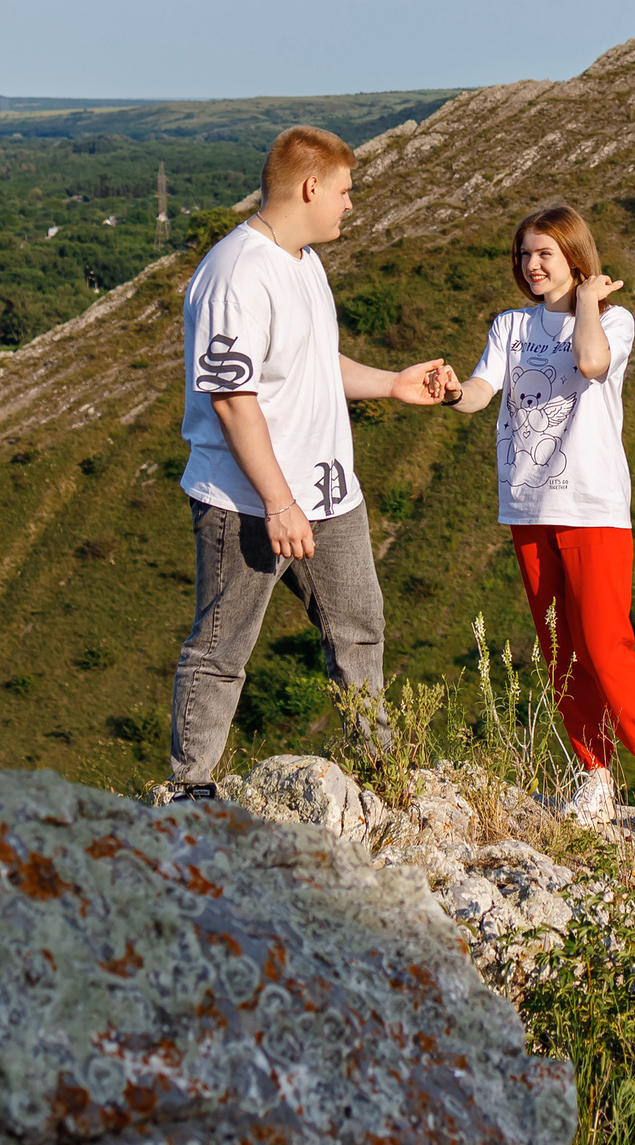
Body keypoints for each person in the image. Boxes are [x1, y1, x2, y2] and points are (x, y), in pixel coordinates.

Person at [164, 125, 458, 801]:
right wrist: (278, 501)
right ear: (310, 185)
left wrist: (393, 383)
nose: (351, 206)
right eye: (346, 191)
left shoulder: (302, 261)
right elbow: (233, 399)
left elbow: (312, 365)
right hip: (246, 501)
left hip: (328, 494)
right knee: (221, 645)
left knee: (358, 628)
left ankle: (380, 776)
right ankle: (191, 790)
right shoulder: (235, 273)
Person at [450, 202, 635, 840]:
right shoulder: (509, 326)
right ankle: (594, 774)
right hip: (528, 505)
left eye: (544, 254)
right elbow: (479, 393)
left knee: (606, 644)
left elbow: (589, 364)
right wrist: (450, 390)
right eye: (524, 254)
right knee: (560, 651)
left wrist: (585, 301)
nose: (530, 266)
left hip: (593, 507)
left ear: (574, 257)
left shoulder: (614, 320)